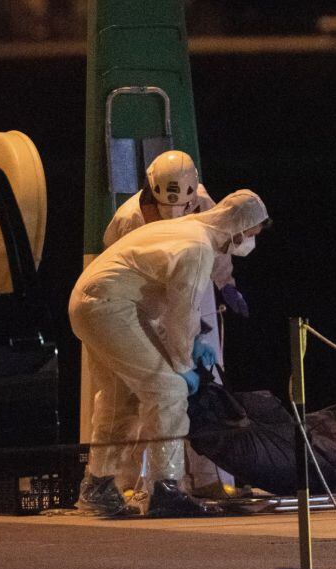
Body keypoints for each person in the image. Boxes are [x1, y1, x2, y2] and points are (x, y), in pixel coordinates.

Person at [71, 190, 269, 517]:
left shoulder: (187, 229)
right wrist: (184, 363)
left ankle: (98, 487)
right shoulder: (198, 248)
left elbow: (164, 304)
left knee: (121, 398)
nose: (249, 242)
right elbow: (182, 313)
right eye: (250, 234)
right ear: (238, 228)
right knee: (169, 389)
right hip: (109, 307)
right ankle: (166, 491)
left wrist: (193, 343)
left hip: (90, 303)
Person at [102, 150, 246, 498]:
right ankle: (129, 482)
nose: (175, 213)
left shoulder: (202, 203)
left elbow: (219, 243)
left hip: (189, 293)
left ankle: (207, 478)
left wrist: (225, 282)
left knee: (202, 393)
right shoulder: (129, 218)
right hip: (143, 304)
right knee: (143, 394)